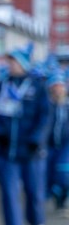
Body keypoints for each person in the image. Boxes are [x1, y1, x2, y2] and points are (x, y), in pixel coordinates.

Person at [0, 43, 51, 225]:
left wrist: (37, 138)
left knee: (34, 191)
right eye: (10, 61)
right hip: (7, 151)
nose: (11, 65)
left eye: (15, 61)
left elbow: (45, 116)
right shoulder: (2, 86)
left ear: (24, 64)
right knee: (8, 193)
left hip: (31, 151)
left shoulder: (38, 87)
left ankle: (37, 221)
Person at [46, 70, 69, 217]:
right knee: (50, 176)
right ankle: (57, 200)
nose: (58, 88)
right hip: (49, 145)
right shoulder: (47, 105)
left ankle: (63, 202)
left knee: (64, 173)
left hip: (66, 145)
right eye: (55, 85)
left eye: (61, 85)